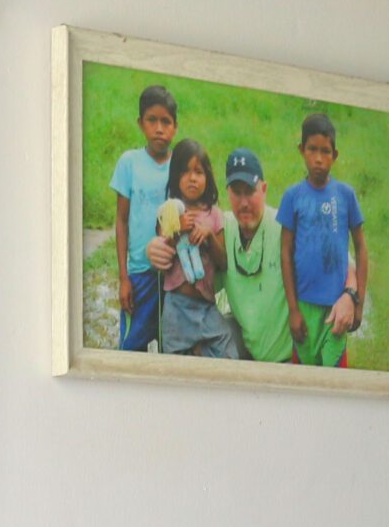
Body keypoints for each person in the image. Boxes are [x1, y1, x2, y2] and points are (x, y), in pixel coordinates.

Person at [277, 111, 369, 367]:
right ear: (301, 150)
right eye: (312, 150)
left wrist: (357, 301)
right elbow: (285, 252)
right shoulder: (292, 197)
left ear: (335, 155)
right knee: (305, 379)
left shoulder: (345, 195)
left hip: (336, 308)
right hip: (304, 308)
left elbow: (361, 248)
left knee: (336, 380)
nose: (318, 159)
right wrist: (293, 310)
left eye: (325, 151)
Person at [147, 140, 234, 358]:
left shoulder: (214, 214)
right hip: (176, 305)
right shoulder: (169, 211)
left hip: (206, 305)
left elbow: (223, 262)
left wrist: (209, 236)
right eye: (185, 172)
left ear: (208, 177)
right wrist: (176, 230)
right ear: (175, 175)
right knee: (174, 361)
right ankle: (192, 351)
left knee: (229, 354)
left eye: (198, 172)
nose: (192, 178)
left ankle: (200, 349)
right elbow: (162, 258)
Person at [109, 84, 177, 353]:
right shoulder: (130, 163)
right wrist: (124, 278)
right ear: (140, 123)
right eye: (152, 120)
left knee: (169, 347)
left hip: (171, 277)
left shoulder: (180, 165)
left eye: (166, 121)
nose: (159, 128)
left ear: (175, 126)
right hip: (139, 274)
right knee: (130, 349)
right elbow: (122, 221)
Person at [215, 147, 293, 363]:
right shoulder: (223, 228)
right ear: (227, 192)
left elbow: (341, 261)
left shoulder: (285, 225)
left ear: (264, 189)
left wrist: (349, 295)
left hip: (290, 358)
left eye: (250, 191)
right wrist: (156, 247)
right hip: (249, 351)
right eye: (236, 193)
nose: (244, 203)